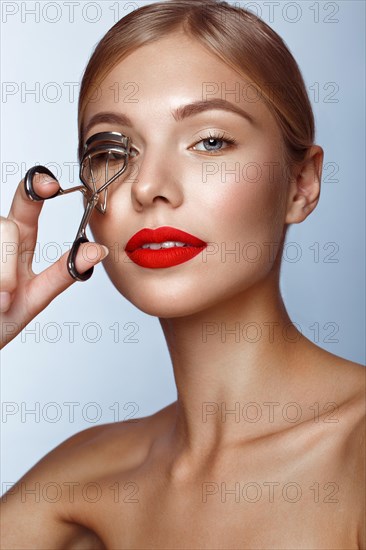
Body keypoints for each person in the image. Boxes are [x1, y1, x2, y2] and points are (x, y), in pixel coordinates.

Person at [1, 1, 365, 548]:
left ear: (301, 184)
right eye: (111, 149)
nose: (148, 186)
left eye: (210, 141)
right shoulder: (81, 486)